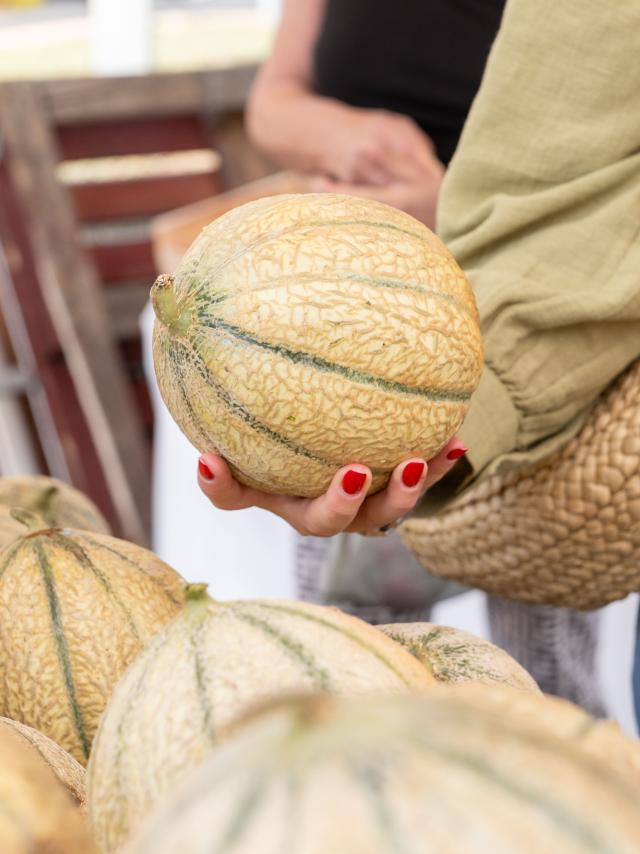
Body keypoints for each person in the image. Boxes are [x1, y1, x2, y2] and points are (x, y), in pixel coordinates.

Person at [196, 0, 640, 717]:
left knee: (548, 691)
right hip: (334, 337)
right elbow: (273, 102)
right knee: (350, 670)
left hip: (532, 328)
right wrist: (349, 134)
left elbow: (593, 165)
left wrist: (451, 209)